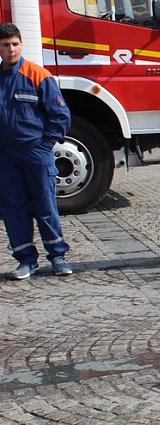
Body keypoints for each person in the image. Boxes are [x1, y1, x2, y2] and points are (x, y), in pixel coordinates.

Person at [0, 22, 72, 280]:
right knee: (13, 207)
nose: (11, 49)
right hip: (6, 156)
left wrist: (44, 145)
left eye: (15, 44)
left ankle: (58, 256)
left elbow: (61, 116)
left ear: (21, 44)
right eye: (6, 45)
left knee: (45, 205)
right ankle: (26, 261)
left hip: (35, 152)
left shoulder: (38, 75)